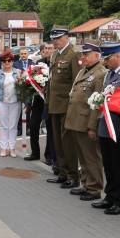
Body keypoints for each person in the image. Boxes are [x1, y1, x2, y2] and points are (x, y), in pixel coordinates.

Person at [91, 43, 120, 215]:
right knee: (109, 165)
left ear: (117, 57)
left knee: (119, 166)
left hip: (119, 127)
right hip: (106, 125)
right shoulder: (109, 75)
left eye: (108, 58)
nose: (106, 62)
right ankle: (110, 197)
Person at [64, 40, 106, 201]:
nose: (84, 57)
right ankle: (86, 183)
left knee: (91, 157)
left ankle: (94, 188)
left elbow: (97, 103)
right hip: (76, 120)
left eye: (87, 54)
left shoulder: (100, 73)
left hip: (86, 121)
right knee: (83, 156)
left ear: (97, 55)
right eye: (83, 54)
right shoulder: (84, 71)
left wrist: (92, 127)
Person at [45, 26, 82, 189]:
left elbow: (76, 82)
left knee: (68, 143)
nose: (55, 42)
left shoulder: (73, 54)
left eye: (58, 39)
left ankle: (73, 176)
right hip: (54, 104)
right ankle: (62, 172)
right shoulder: (55, 54)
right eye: (54, 39)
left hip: (66, 105)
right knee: (58, 141)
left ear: (66, 37)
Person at [25, 42, 55, 163]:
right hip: (37, 100)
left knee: (49, 128)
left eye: (50, 48)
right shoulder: (38, 63)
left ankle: (49, 156)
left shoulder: (55, 63)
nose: (47, 50)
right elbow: (32, 82)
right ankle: (35, 153)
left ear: (54, 49)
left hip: (50, 101)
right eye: (46, 48)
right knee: (33, 126)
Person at [0, 51, 22, 157]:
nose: (7, 62)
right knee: (3, 126)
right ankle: (4, 148)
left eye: (9, 60)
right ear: (2, 62)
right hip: (1, 102)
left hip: (15, 102)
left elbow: (24, 89)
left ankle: (12, 148)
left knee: (13, 126)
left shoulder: (18, 72)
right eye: (4, 61)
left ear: (12, 61)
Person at [14, 48, 35, 134]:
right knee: (19, 110)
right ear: (19, 54)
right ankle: (19, 129)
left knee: (28, 110)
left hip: (29, 90)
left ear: (28, 54)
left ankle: (28, 128)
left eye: (25, 53)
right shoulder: (15, 64)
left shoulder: (32, 63)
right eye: (22, 54)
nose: (23, 55)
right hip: (19, 90)